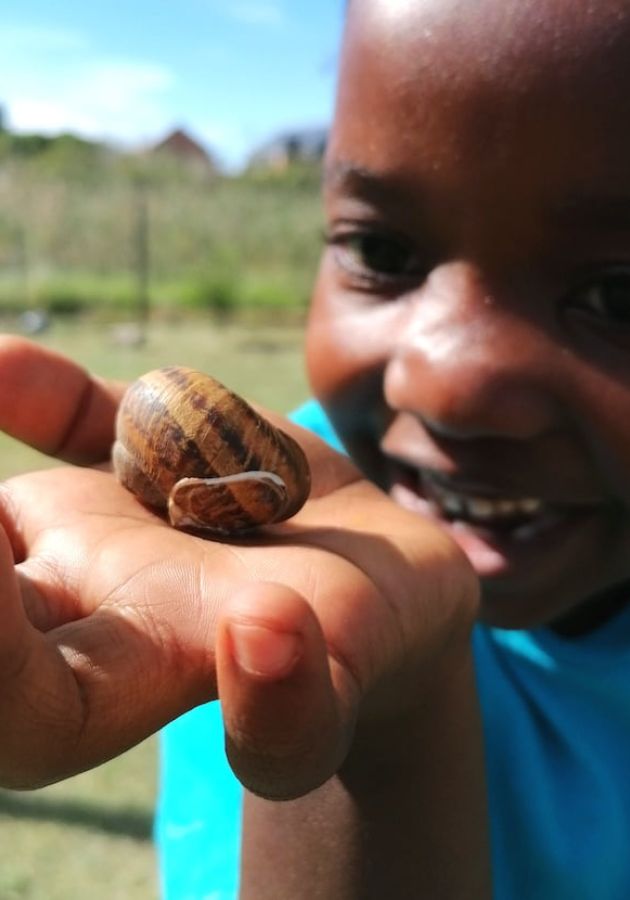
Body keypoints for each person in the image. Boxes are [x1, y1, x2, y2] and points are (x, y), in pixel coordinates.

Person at [2, 0, 630, 895]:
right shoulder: (246, 607)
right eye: (380, 248)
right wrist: (383, 710)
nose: (444, 385)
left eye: (617, 296)